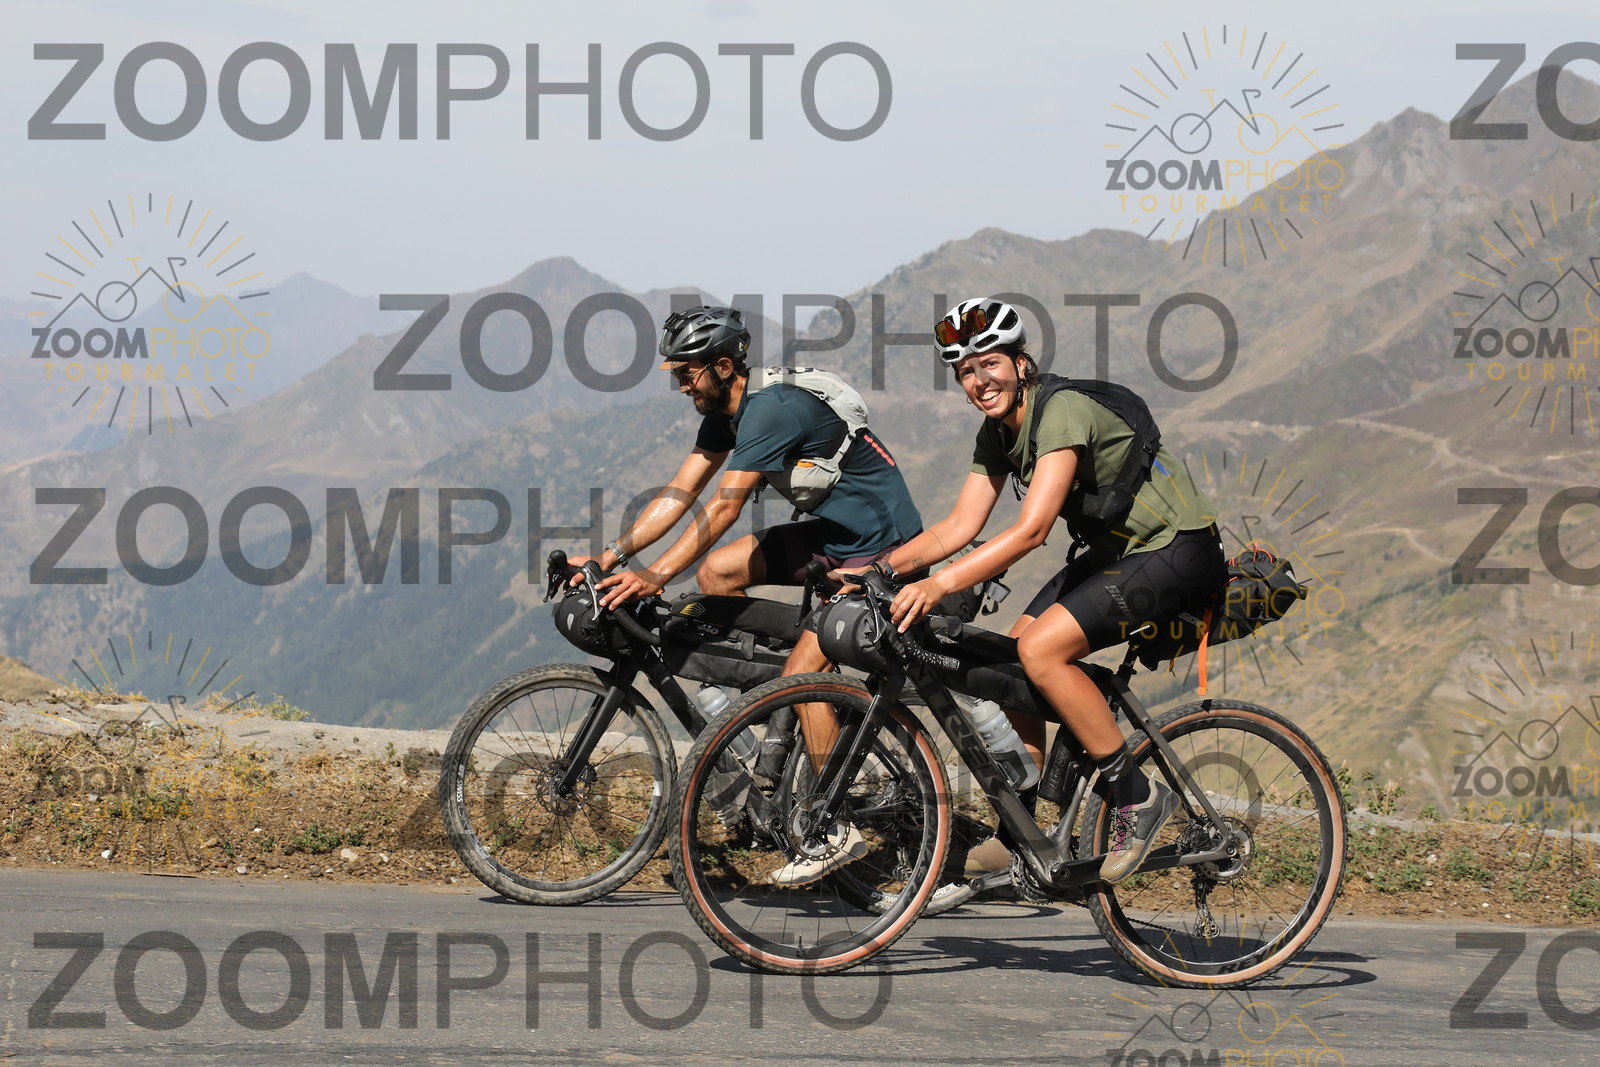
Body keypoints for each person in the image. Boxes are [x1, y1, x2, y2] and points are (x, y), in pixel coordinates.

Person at [865, 297, 1224, 884]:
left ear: (1021, 362)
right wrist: (879, 569)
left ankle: (1136, 794)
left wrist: (937, 584)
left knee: (1041, 651)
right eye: (965, 371)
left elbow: (1032, 531)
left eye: (989, 364)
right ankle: (1022, 835)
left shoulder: (1060, 411)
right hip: (1117, 554)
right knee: (1013, 659)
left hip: (1178, 549)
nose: (979, 381)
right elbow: (959, 525)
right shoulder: (996, 433)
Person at [572, 307, 922, 885]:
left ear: (723, 366)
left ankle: (833, 824)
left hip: (882, 548)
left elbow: (724, 507)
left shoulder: (769, 410)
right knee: (718, 572)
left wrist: (654, 576)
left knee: (802, 670)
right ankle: (774, 736)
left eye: (687, 374)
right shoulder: (724, 413)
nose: (681, 386)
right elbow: (680, 492)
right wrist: (611, 556)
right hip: (833, 536)